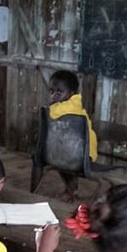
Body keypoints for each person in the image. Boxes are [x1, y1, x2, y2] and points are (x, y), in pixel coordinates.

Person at [43, 70, 99, 201]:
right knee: (64, 166)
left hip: (83, 154)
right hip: (69, 151)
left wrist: (46, 110)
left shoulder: (70, 106)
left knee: (66, 166)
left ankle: (71, 190)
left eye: (59, 92)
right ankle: (71, 190)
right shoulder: (63, 104)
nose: (54, 96)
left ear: (72, 94)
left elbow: (52, 113)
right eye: (51, 92)